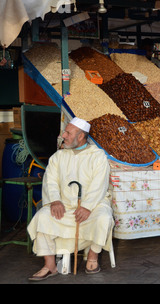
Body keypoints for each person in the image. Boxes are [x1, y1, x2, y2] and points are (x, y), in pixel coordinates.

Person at [27, 117, 114, 281]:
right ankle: (50, 265)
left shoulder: (97, 156)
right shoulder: (58, 157)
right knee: (43, 217)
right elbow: (50, 181)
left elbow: (99, 184)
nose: (63, 135)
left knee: (103, 217)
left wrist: (87, 206)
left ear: (80, 136)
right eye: (65, 131)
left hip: (93, 205)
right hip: (64, 205)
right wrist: (55, 200)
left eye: (68, 132)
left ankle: (93, 258)